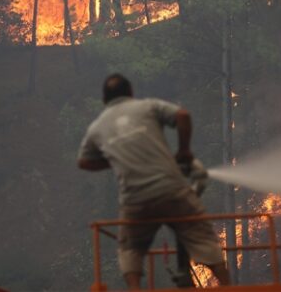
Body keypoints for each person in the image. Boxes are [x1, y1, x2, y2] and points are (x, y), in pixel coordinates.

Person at [77, 73, 230, 289]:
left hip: (135, 199)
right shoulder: (147, 107)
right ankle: (229, 286)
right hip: (172, 189)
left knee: (130, 247)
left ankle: (134, 289)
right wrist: (184, 150)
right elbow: (183, 115)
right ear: (131, 93)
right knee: (202, 237)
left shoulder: (97, 127)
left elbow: (84, 162)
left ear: (104, 100)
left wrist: (116, 159)